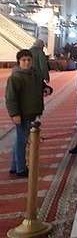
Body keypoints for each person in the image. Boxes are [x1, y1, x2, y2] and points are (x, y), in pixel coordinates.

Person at [5, 49, 52, 177]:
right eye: (23, 60)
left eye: (29, 60)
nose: (26, 62)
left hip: (33, 111)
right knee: (21, 140)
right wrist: (14, 114)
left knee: (22, 139)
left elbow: (41, 86)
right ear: (18, 62)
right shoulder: (15, 77)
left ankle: (15, 166)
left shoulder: (35, 73)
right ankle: (20, 168)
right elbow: (11, 98)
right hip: (23, 113)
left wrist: (47, 89)